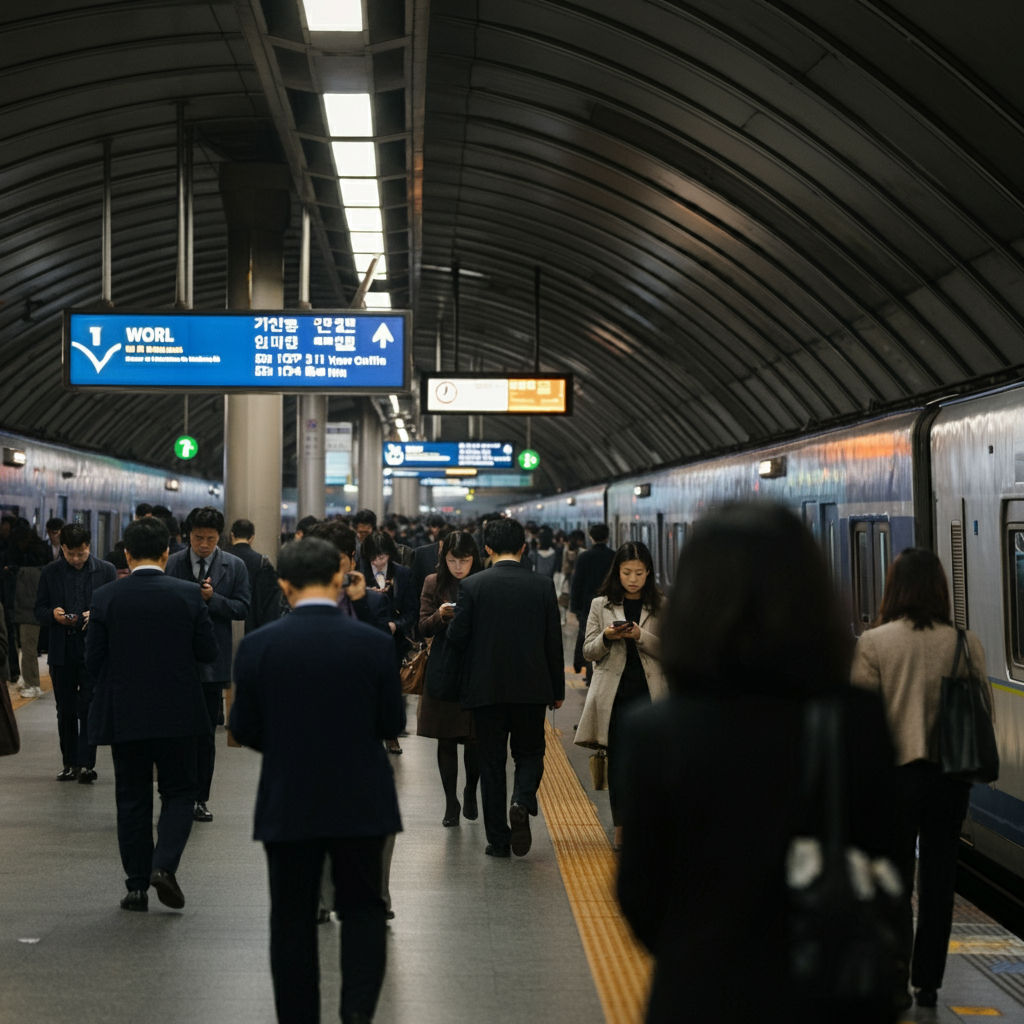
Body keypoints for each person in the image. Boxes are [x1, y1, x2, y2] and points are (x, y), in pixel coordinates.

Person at [616, 504, 901, 1024]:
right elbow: (889, 865)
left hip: (699, 995)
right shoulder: (854, 721)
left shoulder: (653, 731)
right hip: (828, 997)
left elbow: (639, 893)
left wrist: (700, 946)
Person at [231, 537, 404, 1024]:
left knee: (291, 919)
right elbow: (390, 721)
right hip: (363, 799)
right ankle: (356, 1017)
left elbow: (243, 727)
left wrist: (290, 749)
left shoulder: (259, 646)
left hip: (289, 799)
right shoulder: (372, 643)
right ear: (338, 582)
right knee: (364, 912)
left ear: (284, 586)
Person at [851, 547, 992, 1010]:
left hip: (893, 779)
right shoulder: (964, 642)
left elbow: (861, 720)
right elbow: (983, 709)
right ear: (938, 590)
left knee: (893, 881)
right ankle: (928, 982)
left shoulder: (875, 643)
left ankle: (894, 978)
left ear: (894, 588)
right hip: (950, 778)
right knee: (939, 881)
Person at [85, 517, 218, 911]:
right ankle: (164, 866)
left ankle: (136, 887)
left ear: (126, 553)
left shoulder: (106, 597)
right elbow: (207, 652)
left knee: (131, 797)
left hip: (125, 715)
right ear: (167, 552)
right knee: (179, 791)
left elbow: (94, 661)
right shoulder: (189, 595)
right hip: (179, 714)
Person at [443, 517, 564, 858]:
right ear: (524, 548)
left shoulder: (474, 586)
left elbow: (458, 637)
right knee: (530, 752)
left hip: (486, 689)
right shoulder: (542, 586)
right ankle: (522, 799)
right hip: (532, 688)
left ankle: (498, 840)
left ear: (487, 549)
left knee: (492, 762)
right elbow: (552, 642)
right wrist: (557, 689)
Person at [575, 541, 668, 850]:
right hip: (613, 697)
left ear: (649, 573)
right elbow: (588, 650)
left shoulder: (661, 605)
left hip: (650, 695)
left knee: (651, 766)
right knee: (618, 766)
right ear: (617, 572)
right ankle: (621, 830)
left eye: (639, 573)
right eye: (627, 572)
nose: (632, 579)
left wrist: (640, 635)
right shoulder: (600, 605)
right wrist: (606, 636)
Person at [166, 506, 250, 822]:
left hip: (213, 663)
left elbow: (242, 607)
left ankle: (200, 797)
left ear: (221, 537)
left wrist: (212, 599)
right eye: (199, 538)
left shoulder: (234, 566)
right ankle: (178, 793)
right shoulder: (173, 564)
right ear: (189, 536)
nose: (204, 544)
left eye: (210, 539)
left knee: (204, 734)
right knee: (176, 732)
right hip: (177, 661)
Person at [34, 523, 117, 782]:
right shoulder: (50, 572)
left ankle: (87, 764)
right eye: (71, 554)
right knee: (65, 708)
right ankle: (69, 762)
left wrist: (98, 614)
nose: (77, 559)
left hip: (93, 649)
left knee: (89, 707)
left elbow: (115, 608)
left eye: (81, 554)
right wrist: (55, 616)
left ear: (88, 547)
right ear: (63, 548)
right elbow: (39, 610)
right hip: (63, 648)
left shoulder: (106, 571)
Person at [417, 531, 482, 827]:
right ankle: (450, 802)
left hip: (475, 666)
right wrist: (440, 617)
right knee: (445, 738)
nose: (458, 567)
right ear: (444, 558)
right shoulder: (433, 583)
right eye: (452, 560)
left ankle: (470, 790)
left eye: (464, 560)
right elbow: (422, 627)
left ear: (474, 559)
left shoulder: (483, 582)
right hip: (443, 667)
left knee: (474, 740)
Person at [360, 530, 417, 755]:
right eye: (374, 558)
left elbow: (412, 610)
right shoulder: (358, 574)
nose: (378, 561)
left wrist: (396, 624)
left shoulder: (403, 574)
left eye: (382, 556)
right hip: (364, 640)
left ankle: (391, 736)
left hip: (393, 642)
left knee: (391, 691)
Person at [8, 522, 50, 698]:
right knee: (27, 648)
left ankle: (32, 683)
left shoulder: (26, 572)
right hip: (29, 612)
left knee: (28, 648)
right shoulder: (39, 570)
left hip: (28, 613)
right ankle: (29, 681)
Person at [570, 523, 614, 682]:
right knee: (606, 637)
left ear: (590, 537)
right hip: (610, 603)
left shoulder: (584, 557)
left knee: (589, 638)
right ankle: (601, 673)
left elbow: (577, 583)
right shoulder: (613, 556)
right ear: (607, 537)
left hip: (588, 605)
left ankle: (590, 675)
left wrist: (575, 607)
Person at [228, 518, 282, 632]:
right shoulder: (262, 562)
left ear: (232, 535)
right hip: (252, 626)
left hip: (225, 623)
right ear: (252, 538)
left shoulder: (221, 559)